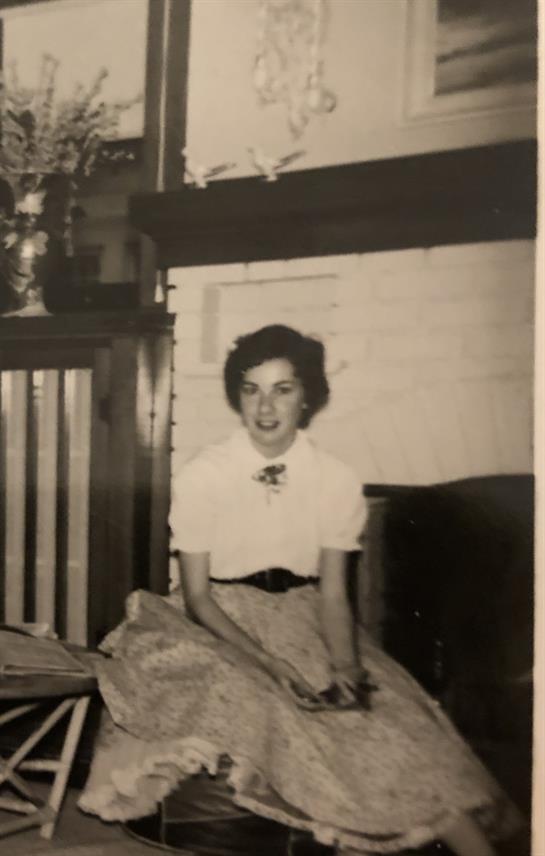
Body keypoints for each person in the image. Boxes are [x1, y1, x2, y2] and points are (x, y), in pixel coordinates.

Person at [79, 324, 521, 856]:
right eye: (252, 389)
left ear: (307, 395)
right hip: (221, 617)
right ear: (237, 395)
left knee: (388, 726)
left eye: (282, 389)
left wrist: (346, 669)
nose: (265, 407)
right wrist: (270, 664)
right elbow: (198, 598)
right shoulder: (205, 473)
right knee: (271, 709)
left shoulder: (334, 480)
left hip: (306, 616)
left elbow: (334, 596)